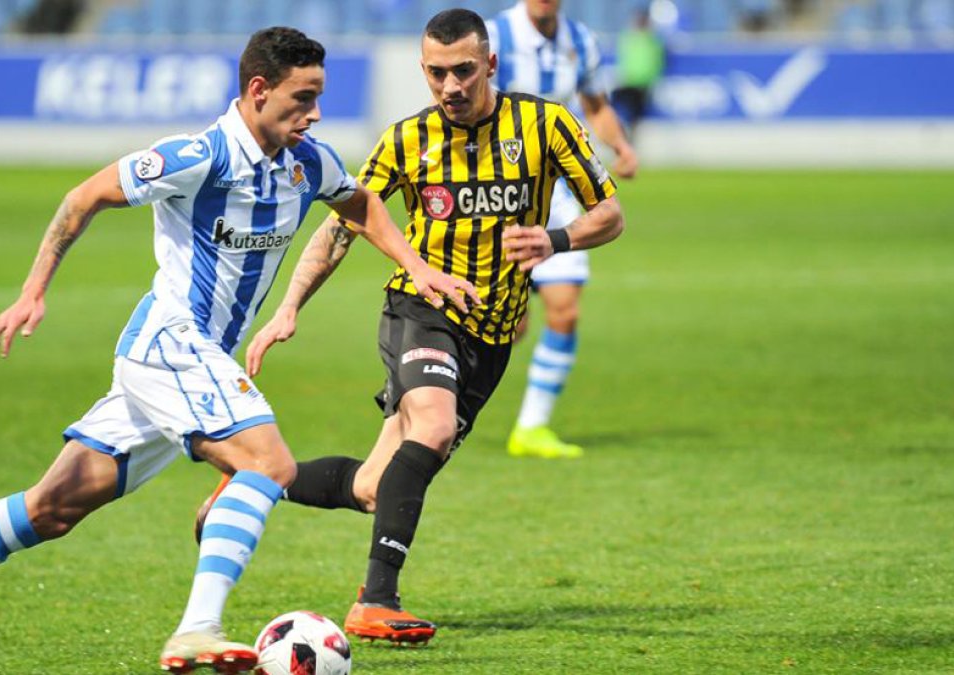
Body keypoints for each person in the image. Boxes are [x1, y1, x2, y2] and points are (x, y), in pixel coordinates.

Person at [0, 27, 478, 675]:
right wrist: (33, 291)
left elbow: (360, 202)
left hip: (192, 368)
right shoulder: (199, 157)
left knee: (50, 508)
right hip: (171, 343)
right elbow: (85, 197)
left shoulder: (309, 162)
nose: (314, 112)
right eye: (302, 97)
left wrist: (415, 265)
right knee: (269, 463)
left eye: (319, 97)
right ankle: (198, 627)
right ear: (257, 91)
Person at [196, 8, 625, 645]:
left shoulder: (545, 124)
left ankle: (256, 479)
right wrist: (288, 308)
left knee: (374, 487)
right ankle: (376, 600)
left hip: (493, 335)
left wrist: (555, 238)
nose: (449, 86)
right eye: (435, 73)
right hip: (419, 311)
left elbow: (610, 213)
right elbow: (342, 226)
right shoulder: (405, 140)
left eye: (463, 71)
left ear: (491, 66)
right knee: (432, 422)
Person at [487, 0, 640, 459]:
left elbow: (595, 105)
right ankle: (437, 408)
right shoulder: (494, 38)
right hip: (501, 195)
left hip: (555, 196)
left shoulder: (582, 41)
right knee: (505, 325)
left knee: (566, 310)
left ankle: (532, 426)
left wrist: (620, 146)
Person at [613, 9, 666, 134]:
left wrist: (652, 79)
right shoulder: (628, 36)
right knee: (614, 106)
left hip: (643, 83)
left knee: (635, 113)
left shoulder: (653, 40)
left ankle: (628, 135)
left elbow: (656, 62)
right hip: (628, 80)